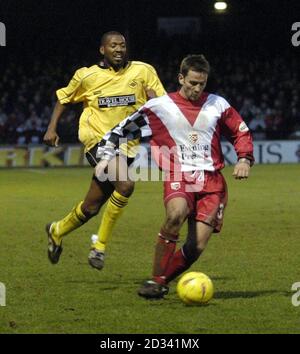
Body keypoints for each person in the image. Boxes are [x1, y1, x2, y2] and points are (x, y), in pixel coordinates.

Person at [94, 54, 254, 298]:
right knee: (175, 214)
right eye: (192, 83)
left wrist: (244, 158)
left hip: (212, 182)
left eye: (202, 83)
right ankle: (156, 279)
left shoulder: (218, 104)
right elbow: (122, 131)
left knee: (196, 246)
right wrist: (105, 156)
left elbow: (240, 131)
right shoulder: (160, 106)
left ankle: (160, 281)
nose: (197, 89)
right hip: (179, 175)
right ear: (181, 78)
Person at [43, 31, 165, 270]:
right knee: (126, 185)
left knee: (91, 207)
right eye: (113, 46)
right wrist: (51, 128)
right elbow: (64, 99)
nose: (119, 49)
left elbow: (161, 101)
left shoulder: (143, 71)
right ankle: (99, 247)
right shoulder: (86, 76)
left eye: (122, 45)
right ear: (103, 50)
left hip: (127, 146)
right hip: (98, 140)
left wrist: (155, 101)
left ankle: (57, 230)